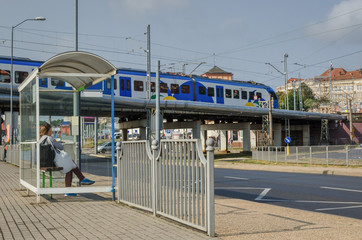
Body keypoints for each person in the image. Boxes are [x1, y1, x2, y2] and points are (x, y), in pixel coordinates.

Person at [40, 123, 95, 196]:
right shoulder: (50, 138)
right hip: (53, 162)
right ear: (48, 130)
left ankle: (73, 186)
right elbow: (61, 147)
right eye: (51, 129)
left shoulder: (40, 140)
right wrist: (58, 143)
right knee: (71, 164)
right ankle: (81, 179)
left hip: (44, 162)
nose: (52, 131)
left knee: (70, 168)